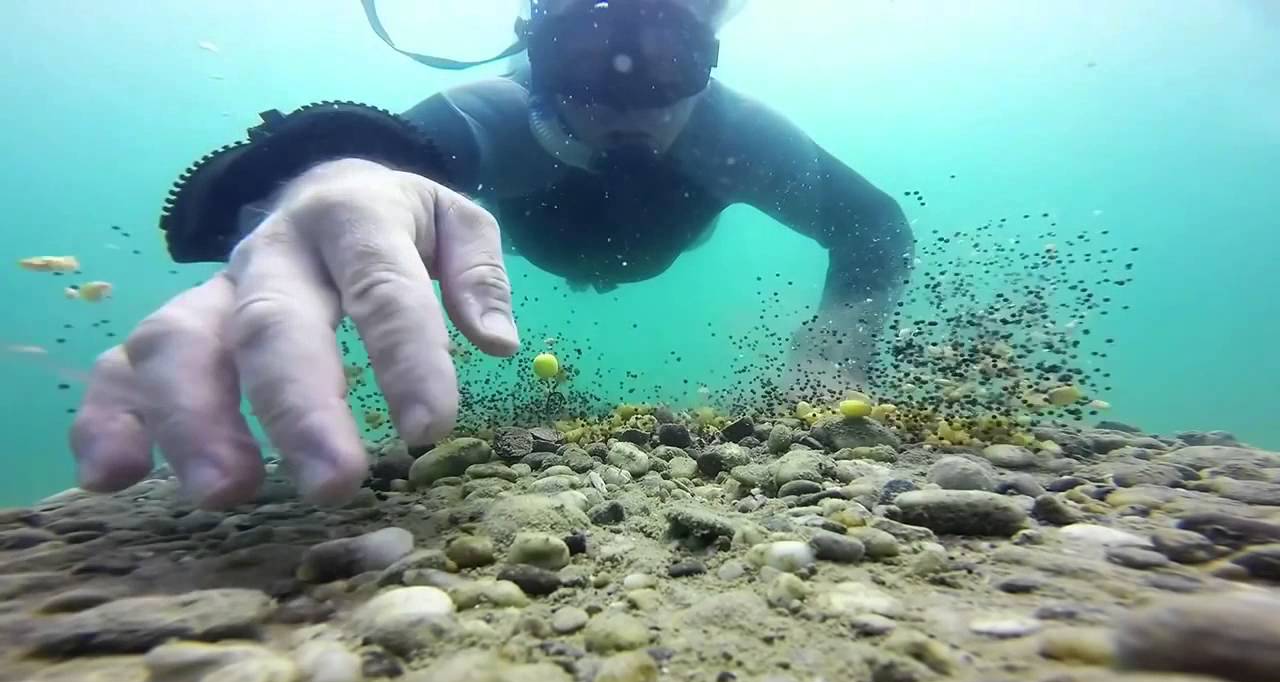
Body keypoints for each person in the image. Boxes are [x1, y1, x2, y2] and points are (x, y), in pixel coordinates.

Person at [71, 0, 914, 510]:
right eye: (584, 51)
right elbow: (377, 157)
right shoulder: (496, 113)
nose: (625, 90)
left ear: (712, 47)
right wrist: (320, 188)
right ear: (535, 46)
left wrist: (827, 368)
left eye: (670, 56)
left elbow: (875, 228)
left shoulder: (739, 138)